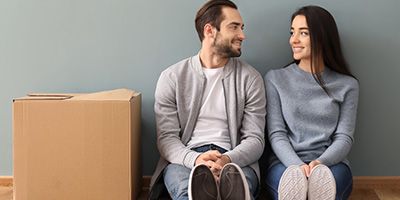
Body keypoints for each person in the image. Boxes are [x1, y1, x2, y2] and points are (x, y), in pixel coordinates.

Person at [149, 1, 266, 200]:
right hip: (186, 159)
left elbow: (255, 139)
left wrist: (226, 159)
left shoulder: (250, 78)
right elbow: (167, 139)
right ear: (210, 30)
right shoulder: (172, 77)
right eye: (234, 27)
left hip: (235, 159)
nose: (242, 35)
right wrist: (196, 160)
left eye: (242, 27)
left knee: (237, 190)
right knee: (188, 192)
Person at [264, 5, 359, 200]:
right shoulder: (275, 79)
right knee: (291, 185)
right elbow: (277, 134)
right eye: (292, 32)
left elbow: (344, 137)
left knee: (324, 184)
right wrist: (298, 167)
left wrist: (320, 163)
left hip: (332, 164)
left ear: (322, 37)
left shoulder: (348, 85)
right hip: (285, 164)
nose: (294, 40)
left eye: (303, 33)